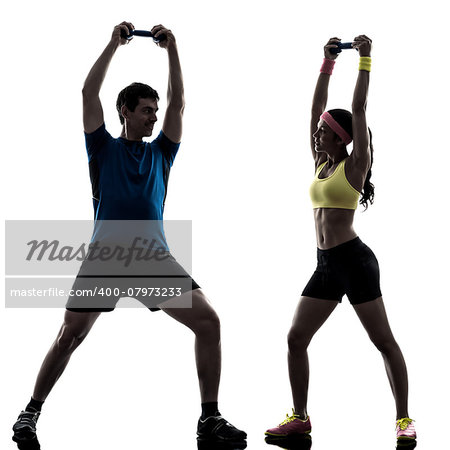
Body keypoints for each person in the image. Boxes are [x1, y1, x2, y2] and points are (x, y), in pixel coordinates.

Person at [12, 21, 246, 443]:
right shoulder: (102, 148)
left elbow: (179, 104)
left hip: (152, 258)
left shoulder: (163, 152)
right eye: (145, 110)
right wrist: (113, 44)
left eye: (155, 111)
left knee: (209, 321)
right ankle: (30, 413)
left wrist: (172, 48)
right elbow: (88, 94)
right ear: (126, 111)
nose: (153, 117)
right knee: (69, 337)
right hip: (106, 258)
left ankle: (209, 418)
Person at [265, 36, 416, 441]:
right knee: (296, 338)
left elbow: (360, 109)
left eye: (323, 132)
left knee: (383, 341)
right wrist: (327, 62)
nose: (316, 134)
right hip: (326, 266)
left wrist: (364, 59)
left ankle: (403, 420)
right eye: (317, 131)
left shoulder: (354, 166)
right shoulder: (321, 162)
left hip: (355, 261)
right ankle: (300, 417)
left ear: (339, 137)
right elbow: (316, 109)